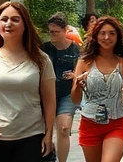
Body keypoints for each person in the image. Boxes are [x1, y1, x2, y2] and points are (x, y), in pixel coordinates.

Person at [0, 1, 56, 162]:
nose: (8, 24)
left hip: (30, 138)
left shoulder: (41, 59)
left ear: (25, 24)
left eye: (15, 19)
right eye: (4, 19)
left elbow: (49, 100)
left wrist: (48, 134)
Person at [71, 16, 123, 162]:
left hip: (117, 123)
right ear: (95, 36)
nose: (107, 37)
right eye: (102, 33)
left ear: (118, 36)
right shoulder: (84, 62)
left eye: (112, 33)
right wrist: (77, 85)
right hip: (89, 123)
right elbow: (75, 99)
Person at [41, 13, 81, 162]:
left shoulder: (75, 49)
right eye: (50, 31)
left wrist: (75, 76)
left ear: (65, 31)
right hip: (46, 93)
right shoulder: (44, 48)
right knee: (46, 130)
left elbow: (82, 69)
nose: (52, 35)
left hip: (67, 93)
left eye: (56, 32)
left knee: (64, 128)